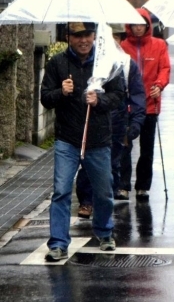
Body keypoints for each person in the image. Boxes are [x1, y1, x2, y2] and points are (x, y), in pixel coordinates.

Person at [41, 22, 125, 262]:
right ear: (68, 37)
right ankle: (58, 243)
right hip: (67, 139)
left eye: (87, 35)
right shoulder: (57, 63)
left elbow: (118, 96)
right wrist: (61, 92)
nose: (83, 40)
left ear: (94, 36)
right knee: (61, 191)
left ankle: (105, 232)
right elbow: (45, 98)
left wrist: (99, 101)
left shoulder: (106, 63)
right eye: (77, 36)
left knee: (103, 191)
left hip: (98, 139)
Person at [75, 23, 146, 212]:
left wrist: (136, 122)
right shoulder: (90, 61)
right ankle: (87, 202)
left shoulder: (126, 63)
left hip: (117, 122)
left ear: (121, 39)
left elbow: (137, 94)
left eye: (116, 37)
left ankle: (103, 204)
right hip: (90, 122)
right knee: (88, 163)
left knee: (111, 164)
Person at [121, 7, 171, 201]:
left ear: (148, 25)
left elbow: (165, 68)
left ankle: (143, 186)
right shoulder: (123, 46)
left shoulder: (159, 45)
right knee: (125, 145)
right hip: (128, 104)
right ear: (129, 26)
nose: (138, 28)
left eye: (142, 24)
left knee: (147, 147)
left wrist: (159, 85)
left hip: (151, 103)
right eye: (135, 24)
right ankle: (122, 186)